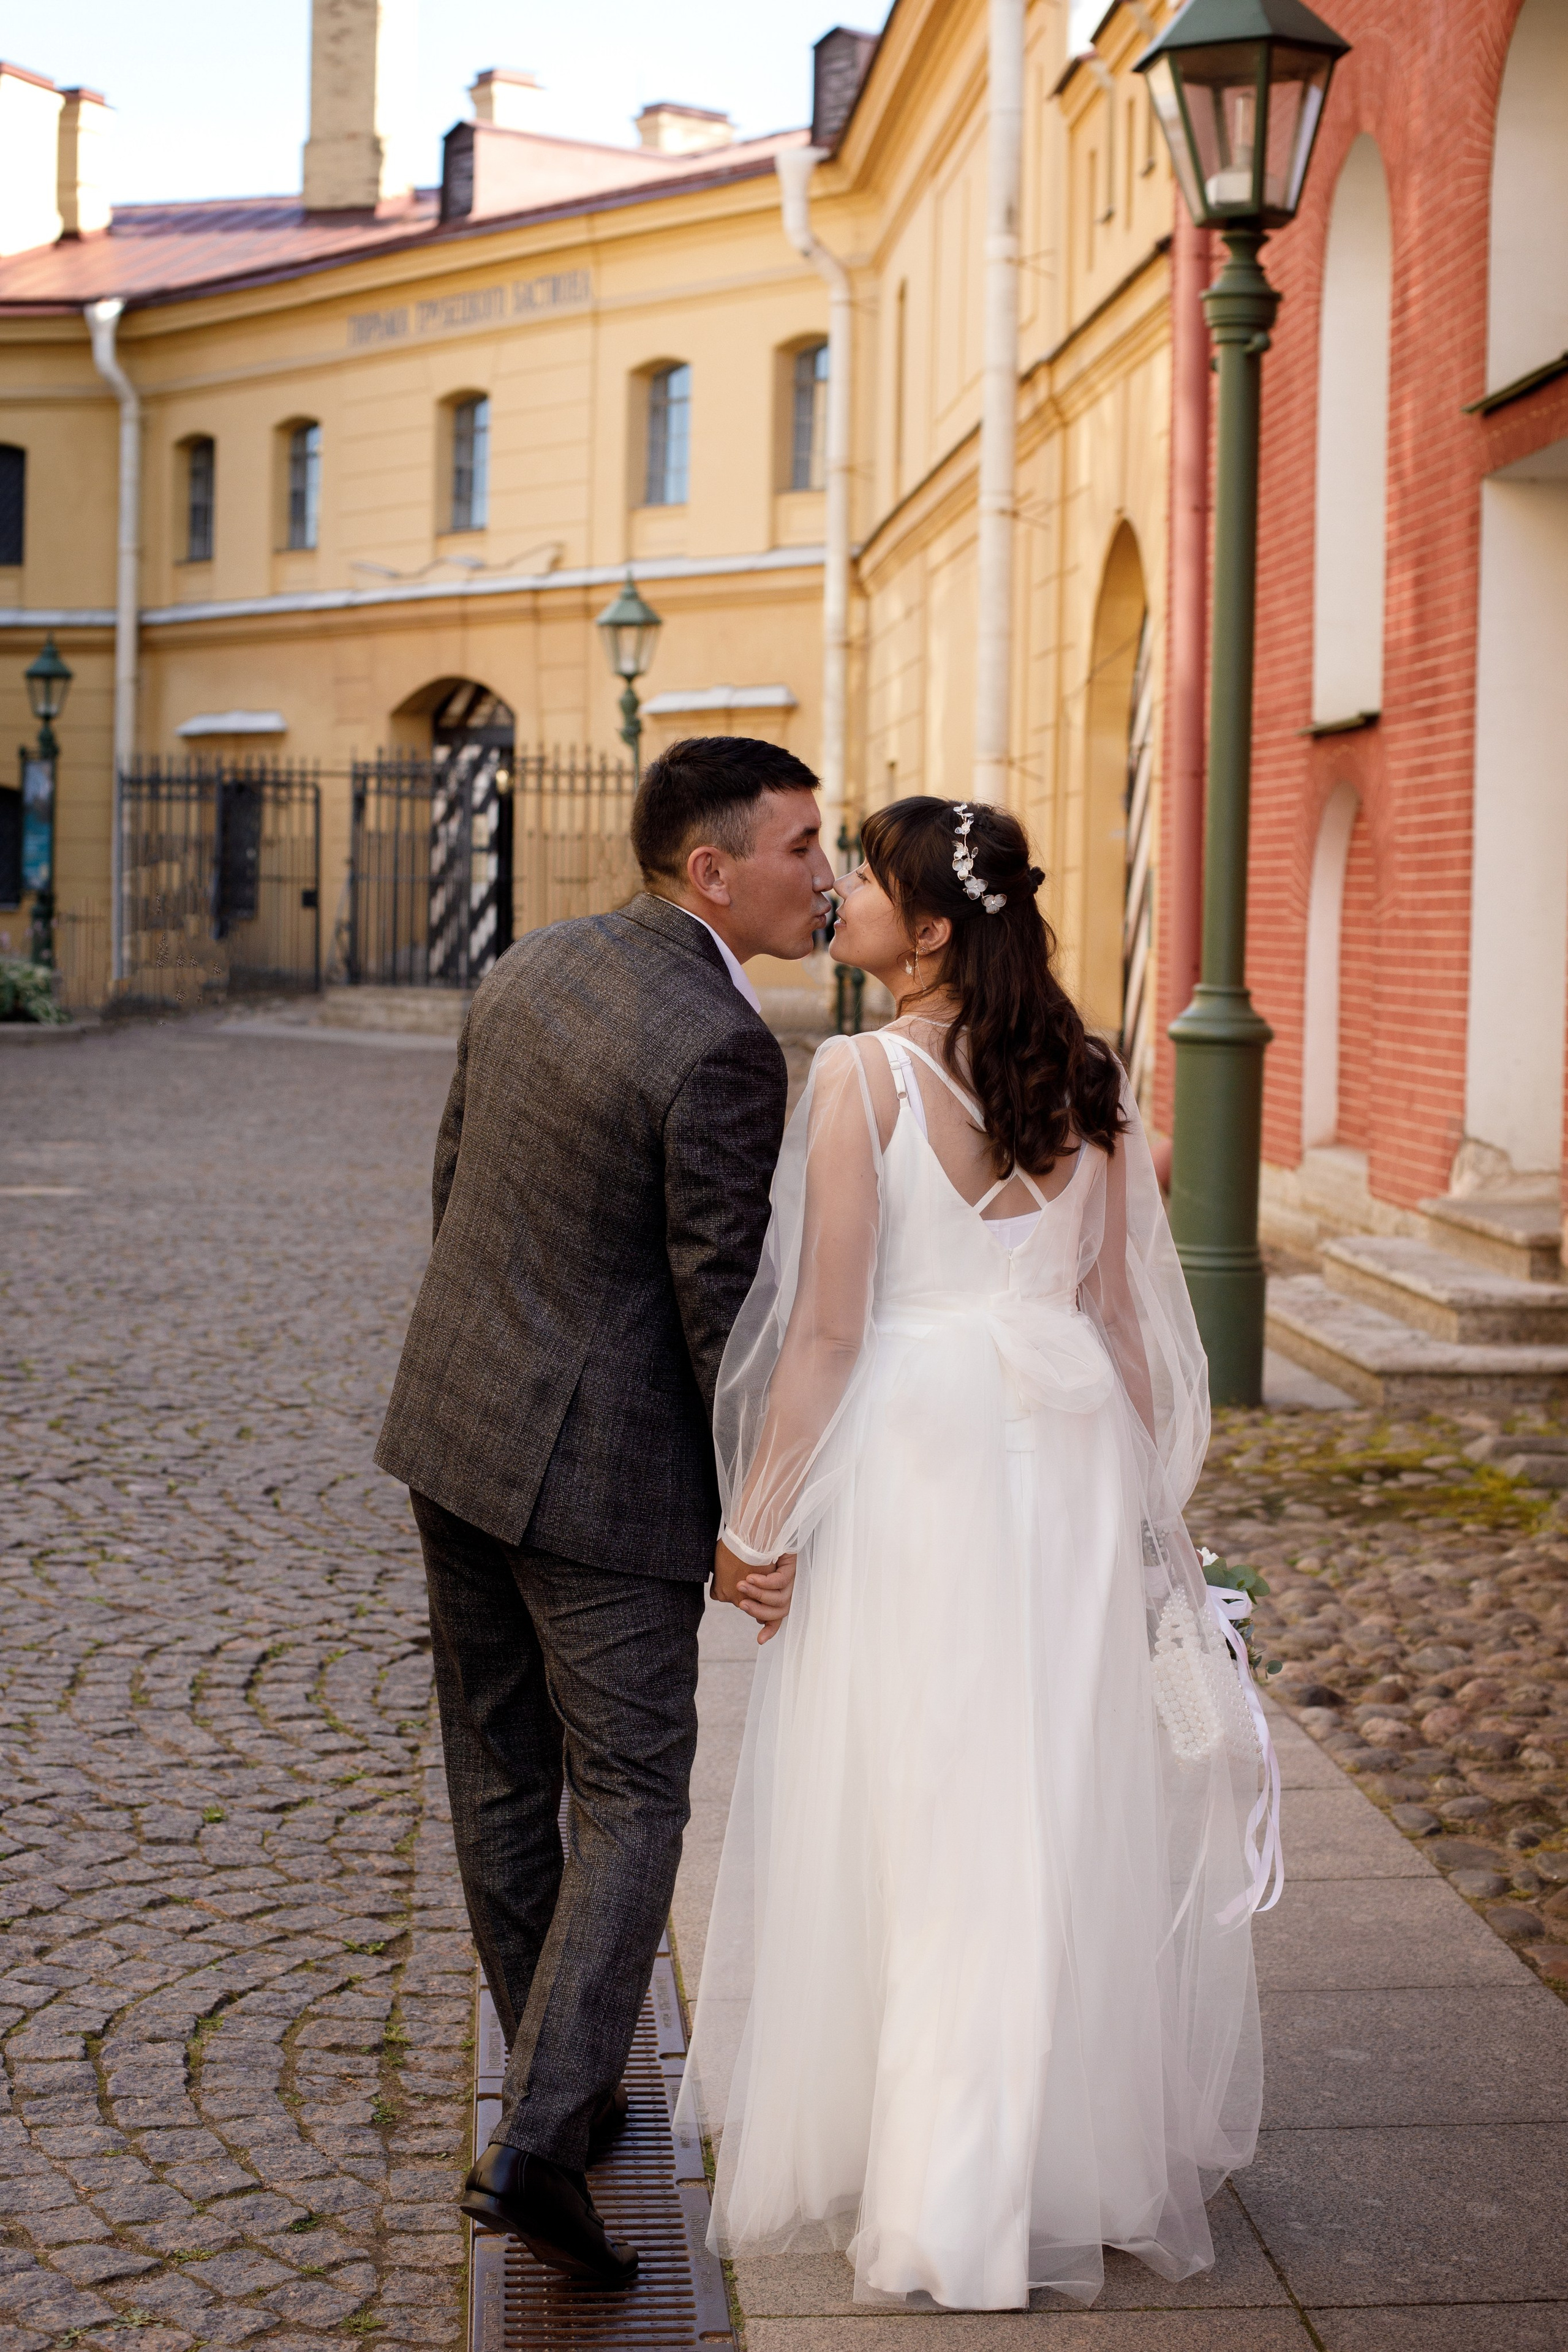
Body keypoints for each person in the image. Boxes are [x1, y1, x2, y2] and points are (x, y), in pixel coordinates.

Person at [678, 795, 1278, 2313]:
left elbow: (822, 1331)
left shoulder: (861, 1076)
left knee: (928, 1799)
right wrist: (1153, 1522)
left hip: (922, 1456)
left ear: (928, 929)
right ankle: (1049, 2161)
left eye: (863, 883)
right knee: (1047, 1800)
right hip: (1066, 1451)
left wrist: (754, 1525)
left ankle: (953, 2200)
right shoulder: (1082, 1073)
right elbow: (1127, 1332)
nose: (840, 903)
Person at [375, 736, 835, 2289]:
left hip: (452, 1430)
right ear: (712, 871)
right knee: (634, 1795)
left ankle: (556, 2099)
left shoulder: (529, 967)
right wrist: (755, 1511)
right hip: (601, 1479)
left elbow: (454, 1189)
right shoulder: (718, 1045)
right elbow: (726, 1319)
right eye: (801, 848)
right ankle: (539, 2137)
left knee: (502, 1775)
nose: (826, 877)